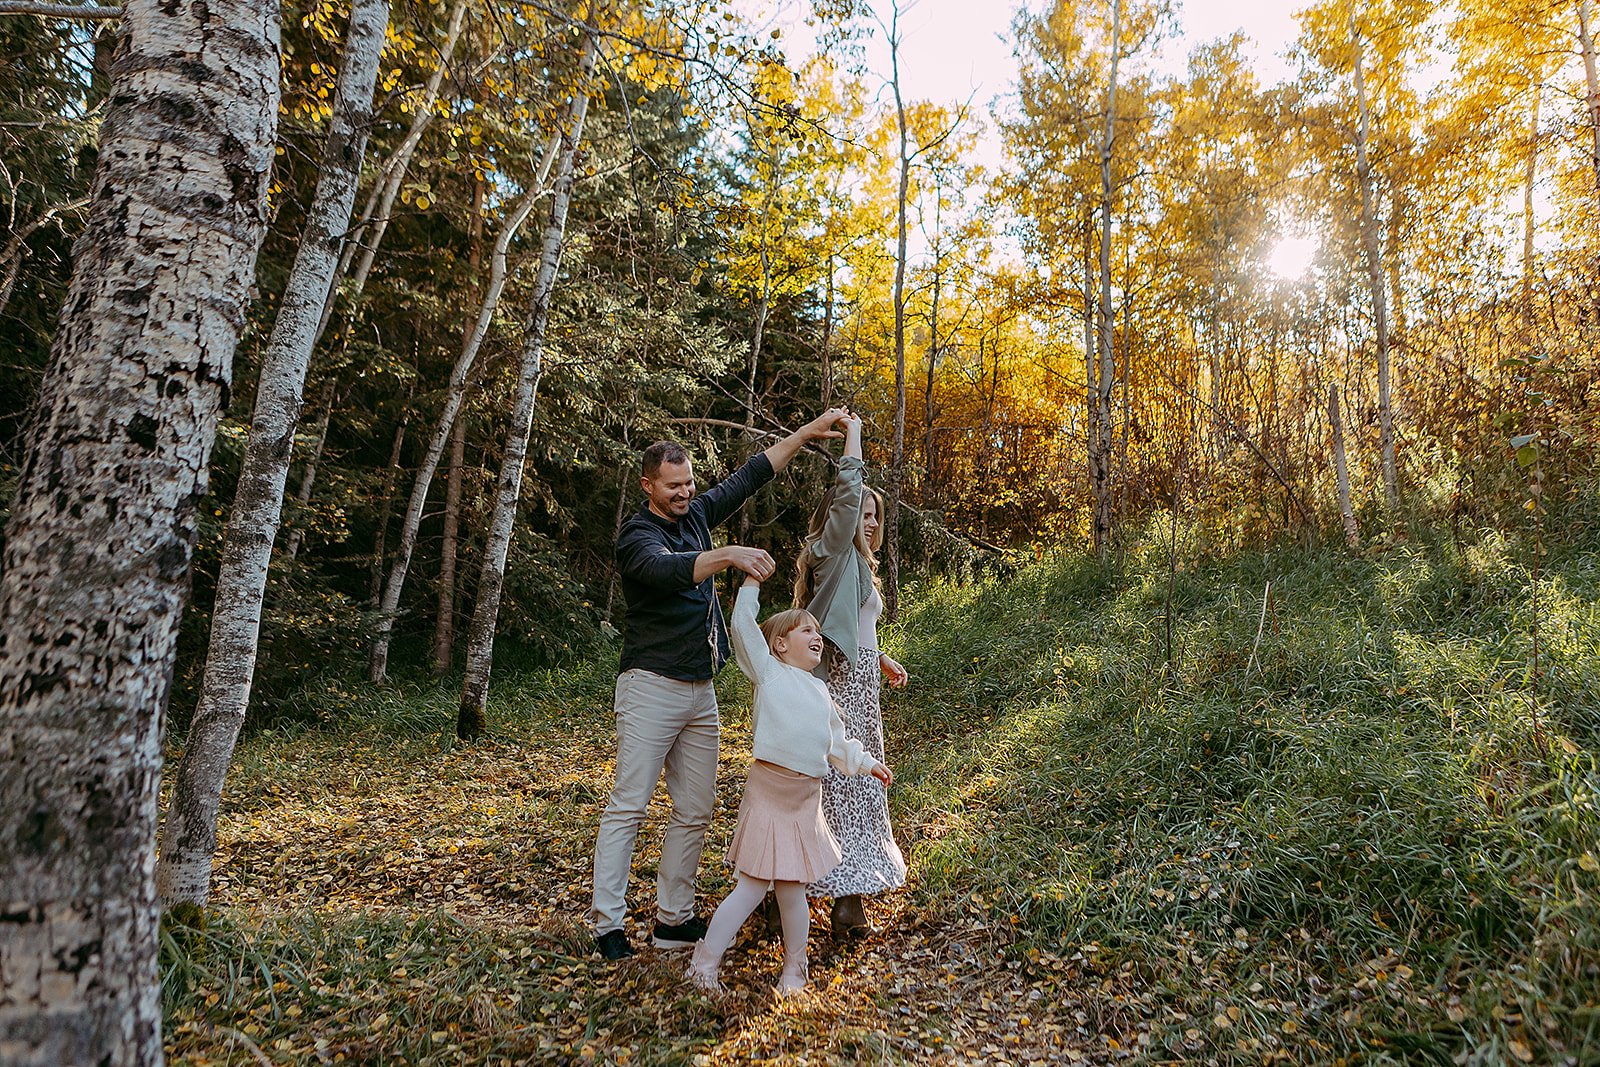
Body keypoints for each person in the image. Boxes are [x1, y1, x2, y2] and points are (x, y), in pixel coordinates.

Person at [590, 410, 850, 961]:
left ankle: (673, 918)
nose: (686, 492)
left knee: (696, 808)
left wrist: (804, 434)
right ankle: (608, 924)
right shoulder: (636, 535)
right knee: (629, 805)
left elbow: (751, 474)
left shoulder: (697, 513)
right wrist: (728, 555)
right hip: (650, 685)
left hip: (700, 687)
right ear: (648, 486)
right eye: (674, 486)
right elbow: (664, 571)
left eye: (689, 483)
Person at [686, 576, 892, 993]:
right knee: (751, 886)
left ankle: (795, 970)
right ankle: (704, 962)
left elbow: (837, 743)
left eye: (818, 630)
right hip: (770, 792)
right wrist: (750, 585)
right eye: (806, 630)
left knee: (793, 890)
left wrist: (868, 763)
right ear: (780, 644)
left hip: (805, 802)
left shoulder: (820, 691)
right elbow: (743, 626)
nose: (817, 636)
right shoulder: (769, 674)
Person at [793, 410, 909, 940]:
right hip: (837, 682)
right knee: (835, 779)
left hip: (862, 680)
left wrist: (879, 658)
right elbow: (846, 487)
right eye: (858, 512)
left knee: (854, 782)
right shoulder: (832, 548)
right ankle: (823, 891)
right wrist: (855, 435)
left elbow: (854, 625)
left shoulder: (858, 564)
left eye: (872, 516)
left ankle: (845, 894)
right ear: (839, 516)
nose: (866, 521)